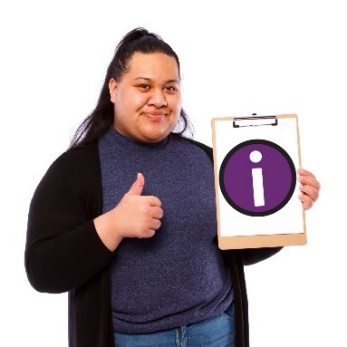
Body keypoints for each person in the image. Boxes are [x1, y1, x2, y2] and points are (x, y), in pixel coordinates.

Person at [24, 27, 320, 347]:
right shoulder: (75, 171)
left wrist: (285, 209)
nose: (159, 99)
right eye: (144, 86)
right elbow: (42, 270)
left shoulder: (207, 159)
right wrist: (113, 225)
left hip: (217, 331)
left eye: (170, 87)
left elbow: (241, 248)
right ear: (114, 88)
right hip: (129, 340)